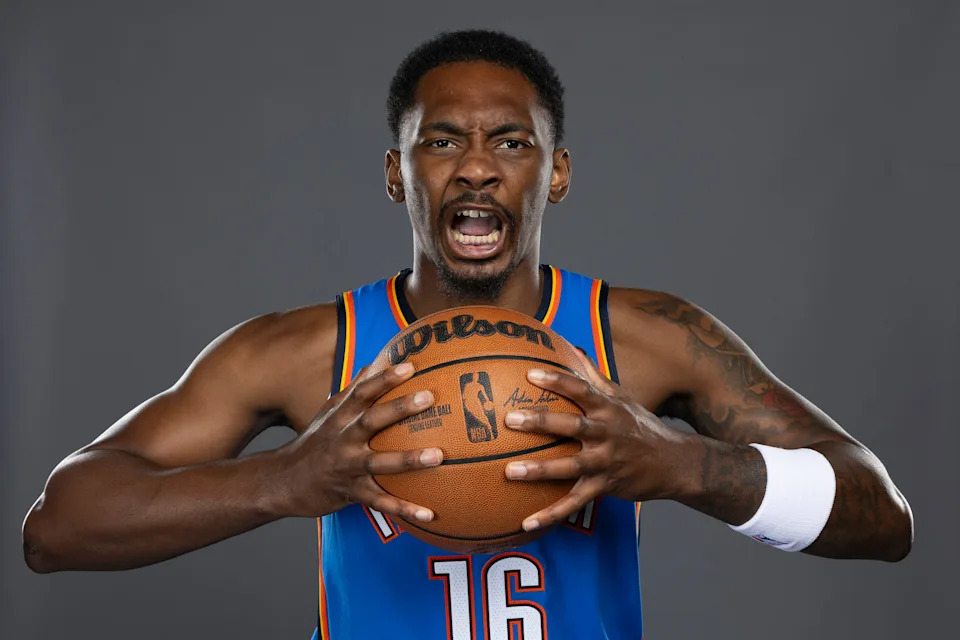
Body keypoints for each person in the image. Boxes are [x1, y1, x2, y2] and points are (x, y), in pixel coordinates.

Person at [22, 30, 913, 639]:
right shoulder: (305, 354)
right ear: (395, 174)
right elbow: (57, 526)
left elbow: (882, 515)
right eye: (441, 142)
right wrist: (280, 482)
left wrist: (678, 467)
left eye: (512, 143)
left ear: (555, 173)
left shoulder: (644, 339)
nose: (477, 166)